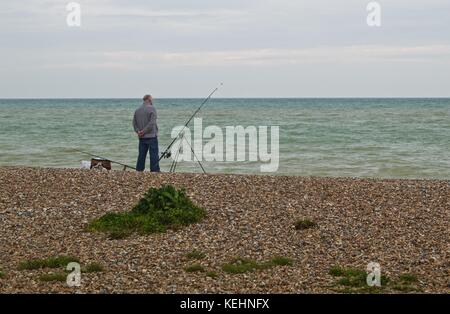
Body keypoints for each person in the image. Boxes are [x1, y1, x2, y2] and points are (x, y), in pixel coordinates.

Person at [133, 94, 160, 172]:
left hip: (141, 137)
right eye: (152, 100)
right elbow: (152, 123)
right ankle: (154, 171)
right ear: (149, 100)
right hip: (151, 136)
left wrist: (138, 131)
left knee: (141, 155)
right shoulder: (152, 109)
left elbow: (134, 123)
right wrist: (143, 131)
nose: (152, 101)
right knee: (154, 155)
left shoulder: (137, 110)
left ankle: (139, 170)